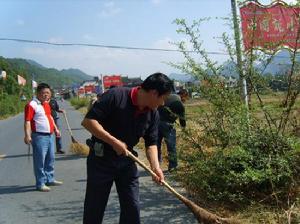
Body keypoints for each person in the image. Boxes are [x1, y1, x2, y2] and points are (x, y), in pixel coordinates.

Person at [81, 72, 174, 224]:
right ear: (154, 93)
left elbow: (151, 142)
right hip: (101, 160)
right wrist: (113, 142)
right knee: (95, 207)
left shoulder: (153, 113)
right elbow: (88, 121)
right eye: (163, 98)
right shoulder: (115, 96)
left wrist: (155, 167)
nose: (163, 103)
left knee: (132, 206)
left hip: (127, 160)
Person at [24, 83, 63, 192]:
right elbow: (27, 121)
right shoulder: (31, 104)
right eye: (43, 93)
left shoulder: (46, 104)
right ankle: (40, 183)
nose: (46, 95)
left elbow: (49, 116)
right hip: (39, 136)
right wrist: (27, 135)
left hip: (50, 135)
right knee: (39, 161)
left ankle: (49, 179)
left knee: (50, 158)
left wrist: (56, 129)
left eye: (48, 93)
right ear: (38, 93)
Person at [157, 88, 188, 172]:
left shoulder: (170, 96)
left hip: (156, 122)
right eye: (186, 98)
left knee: (156, 145)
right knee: (171, 146)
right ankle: (173, 166)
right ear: (183, 95)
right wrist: (184, 128)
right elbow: (182, 119)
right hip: (167, 125)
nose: (186, 100)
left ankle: (156, 166)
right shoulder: (179, 104)